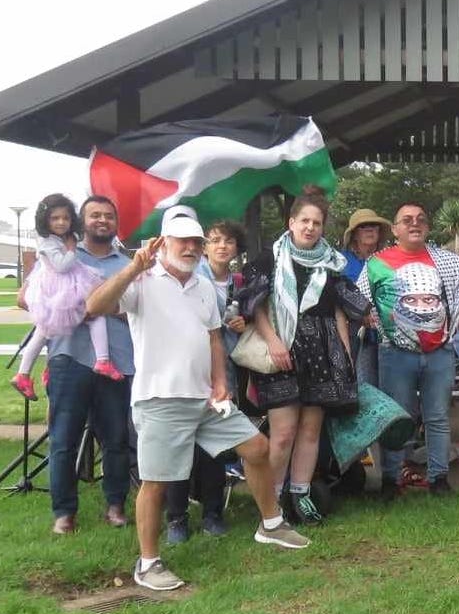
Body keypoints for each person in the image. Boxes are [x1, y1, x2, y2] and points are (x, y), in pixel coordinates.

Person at [85, 206, 309, 592]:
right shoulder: (142, 280)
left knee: (256, 448)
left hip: (206, 397)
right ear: (164, 242)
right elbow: (95, 306)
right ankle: (148, 563)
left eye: (195, 241)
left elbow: (213, 337)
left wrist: (220, 381)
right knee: (156, 482)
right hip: (161, 398)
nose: (189, 247)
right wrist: (132, 268)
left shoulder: (204, 285)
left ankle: (271, 524)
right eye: (182, 240)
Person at [242, 188, 362, 524]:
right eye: (304, 221)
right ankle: (273, 499)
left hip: (322, 352)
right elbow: (257, 308)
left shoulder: (332, 264)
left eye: (317, 223)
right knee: (282, 432)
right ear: (291, 222)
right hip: (283, 350)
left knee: (311, 429)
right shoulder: (269, 260)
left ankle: (301, 493)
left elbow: (339, 311)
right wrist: (273, 341)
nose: (310, 227)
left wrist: (345, 354)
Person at [358, 202, 459, 500]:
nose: (414, 224)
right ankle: (391, 479)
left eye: (420, 219)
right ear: (395, 229)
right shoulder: (376, 263)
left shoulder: (447, 260)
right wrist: (368, 317)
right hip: (394, 353)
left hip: (439, 353)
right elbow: (359, 302)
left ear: (427, 227)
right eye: (406, 220)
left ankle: (439, 478)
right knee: (396, 419)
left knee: (438, 417)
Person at [38, 196, 135, 535]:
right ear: (82, 221)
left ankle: (116, 506)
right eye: (95, 215)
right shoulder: (60, 258)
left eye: (109, 216)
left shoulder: (127, 265)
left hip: (118, 363)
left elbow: (137, 310)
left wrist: (104, 305)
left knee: (117, 439)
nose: (102, 221)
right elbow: (27, 296)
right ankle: (64, 513)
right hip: (69, 359)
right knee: (63, 440)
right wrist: (74, 306)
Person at [166, 219, 247, 543]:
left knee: (215, 447)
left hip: (223, 371)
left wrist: (243, 322)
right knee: (179, 449)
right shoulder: (186, 279)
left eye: (228, 241)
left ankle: (213, 513)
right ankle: (177, 519)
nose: (221, 246)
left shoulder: (238, 283)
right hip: (182, 373)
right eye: (214, 240)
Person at [12, 193, 122, 399]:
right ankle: (103, 359)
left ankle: (27, 373)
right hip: (58, 289)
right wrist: (71, 249)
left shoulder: (58, 239)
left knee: (44, 332)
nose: (61, 222)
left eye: (66, 218)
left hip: (61, 287)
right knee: (94, 316)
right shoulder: (49, 242)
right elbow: (62, 266)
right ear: (45, 220)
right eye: (55, 218)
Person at [340, 209, 391, 387]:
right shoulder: (340, 261)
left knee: (390, 388)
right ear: (354, 233)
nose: (369, 229)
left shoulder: (389, 259)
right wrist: (360, 312)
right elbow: (336, 295)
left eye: (373, 225)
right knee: (364, 387)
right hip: (355, 335)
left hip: (389, 335)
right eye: (363, 226)